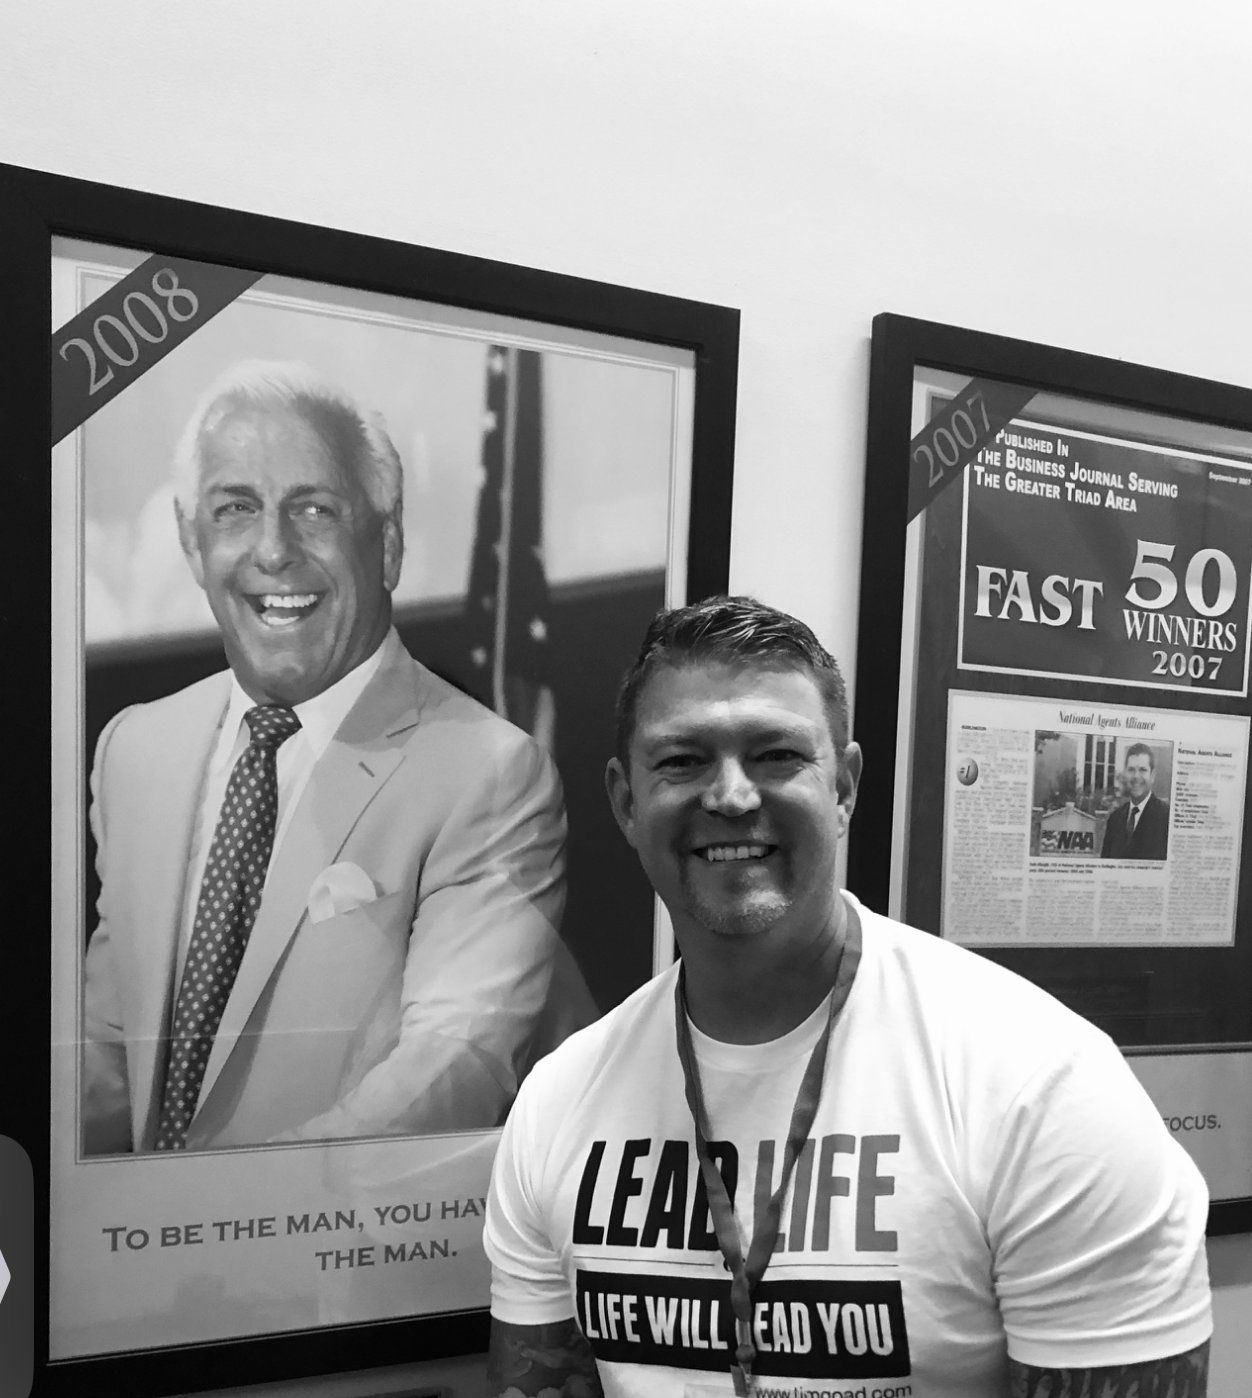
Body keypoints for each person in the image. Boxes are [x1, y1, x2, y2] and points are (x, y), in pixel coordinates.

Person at [484, 596, 1211, 1398]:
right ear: (626, 801)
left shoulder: (1041, 1087)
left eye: (776, 755)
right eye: (682, 760)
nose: (731, 796)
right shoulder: (557, 1103)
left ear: (844, 787)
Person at [82, 360, 594, 1155]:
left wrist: (210, 1212)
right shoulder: (134, 749)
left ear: (386, 543)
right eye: (235, 509)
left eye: (314, 509)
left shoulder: (491, 774)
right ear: (190, 541)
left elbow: (449, 1074)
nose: (273, 550)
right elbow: (107, 1052)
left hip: (324, 1228)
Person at [1101, 742, 1170, 860]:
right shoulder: (1114, 819)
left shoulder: (1166, 818)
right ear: (1125, 773)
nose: (1136, 776)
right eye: (1131, 770)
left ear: (1152, 776)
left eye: (1142, 770)